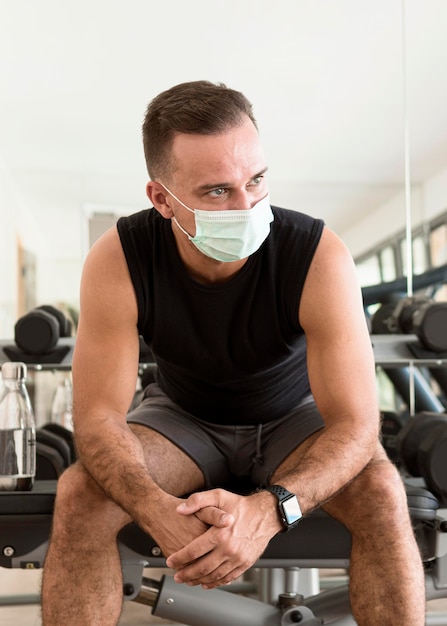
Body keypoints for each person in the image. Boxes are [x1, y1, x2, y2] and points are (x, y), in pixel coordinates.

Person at [41, 80, 425, 625]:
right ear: (161, 200)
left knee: (384, 490)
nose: (247, 205)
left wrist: (270, 512)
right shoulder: (119, 259)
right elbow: (98, 417)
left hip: (296, 416)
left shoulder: (317, 255)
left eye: (256, 180)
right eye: (217, 191)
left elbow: (357, 424)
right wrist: (154, 511)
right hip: (183, 419)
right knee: (81, 493)